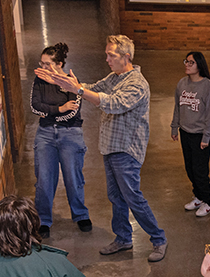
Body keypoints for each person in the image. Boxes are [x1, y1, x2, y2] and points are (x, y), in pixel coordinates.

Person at [35, 34, 167, 262]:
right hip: (110, 147)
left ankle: (158, 239)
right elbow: (92, 88)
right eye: (107, 54)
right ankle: (124, 238)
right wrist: (64, 82)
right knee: (116, 197)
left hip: (126, 150)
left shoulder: (136, 84)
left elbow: (111, 103)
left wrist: (77, 90)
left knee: (133, 197)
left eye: (111, 55)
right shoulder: (115, 76)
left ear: (126, 57)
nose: (107, 59)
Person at [30, 42, 90, 238]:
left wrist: (53, 113)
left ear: (60, 64)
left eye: (48, 64)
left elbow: (72, 114)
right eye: (42, 63)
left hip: (70, 134)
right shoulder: (38, 81)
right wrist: (59, 109)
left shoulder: (73, 82)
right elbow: (35, 107)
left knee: (73, 178)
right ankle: (44, 220)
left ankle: (80, 215)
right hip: (45, 134)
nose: (43, 67)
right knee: (44, 179)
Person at [171, 51, 210, 217]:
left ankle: (207, 201)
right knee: (189, 168)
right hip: (185, 132)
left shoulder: (208, 87)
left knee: (200, 170)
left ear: (199, 65)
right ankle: (198, 196)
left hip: (201, 135)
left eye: (191, 62)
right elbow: (178, 107)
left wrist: (206, 137)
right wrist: (174, 127)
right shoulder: (181, 84)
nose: (187, 64)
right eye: (186, 61)